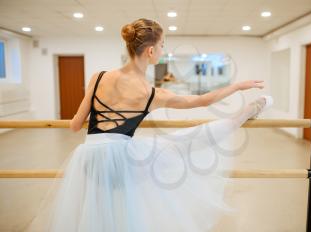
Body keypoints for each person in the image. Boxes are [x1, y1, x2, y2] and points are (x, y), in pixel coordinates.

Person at [24, 18, 273, 232]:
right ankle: (245, 113)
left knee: (98, 214)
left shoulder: (98, 77)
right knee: (187, 142)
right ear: (151, 51)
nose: (163, 50)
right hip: (122, 159)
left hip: (88, 159)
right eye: (163, 45)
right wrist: (237, 86)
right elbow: (200, 100)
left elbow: (75, 125)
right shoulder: (151, 93)